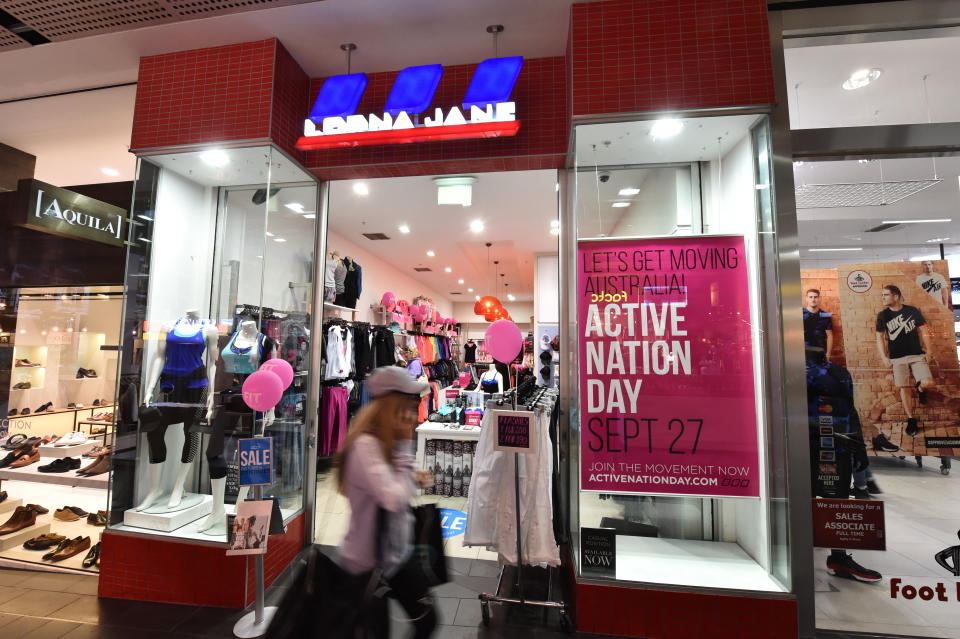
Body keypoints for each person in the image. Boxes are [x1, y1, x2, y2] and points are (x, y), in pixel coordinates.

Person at [335, 366, 437, 639]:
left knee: (427, 619)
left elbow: (392, 486)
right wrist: (406, 450)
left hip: (395, 556)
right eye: (406, 405)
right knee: (375, 630)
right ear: (392, 406)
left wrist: (412, 477)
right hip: (367, 564)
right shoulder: (366, 446)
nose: (412, 413)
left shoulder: (383, 442)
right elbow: (391, 498)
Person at [875, 285, 936, 437]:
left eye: (885, 295)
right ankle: (911, 419)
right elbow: (879, 338)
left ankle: (920, 389)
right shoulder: (883, 315)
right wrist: (884, 357)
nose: (882, 297)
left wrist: (930, 351)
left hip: (917, 355)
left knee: (928, 382)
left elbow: (924, 331)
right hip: (897, 358)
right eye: (882, 295)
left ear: (896, 296)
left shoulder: (912, 311)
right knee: (904, 387)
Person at [803, 288, 834, 361]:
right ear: (806, 298)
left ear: (819, 298)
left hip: (820, 352)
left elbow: (830, 335)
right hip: (804, 352)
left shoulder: (825, 315)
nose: (813, 299)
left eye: (815, 297)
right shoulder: (800, 314)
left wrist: (828, 354)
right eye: (810, 297)